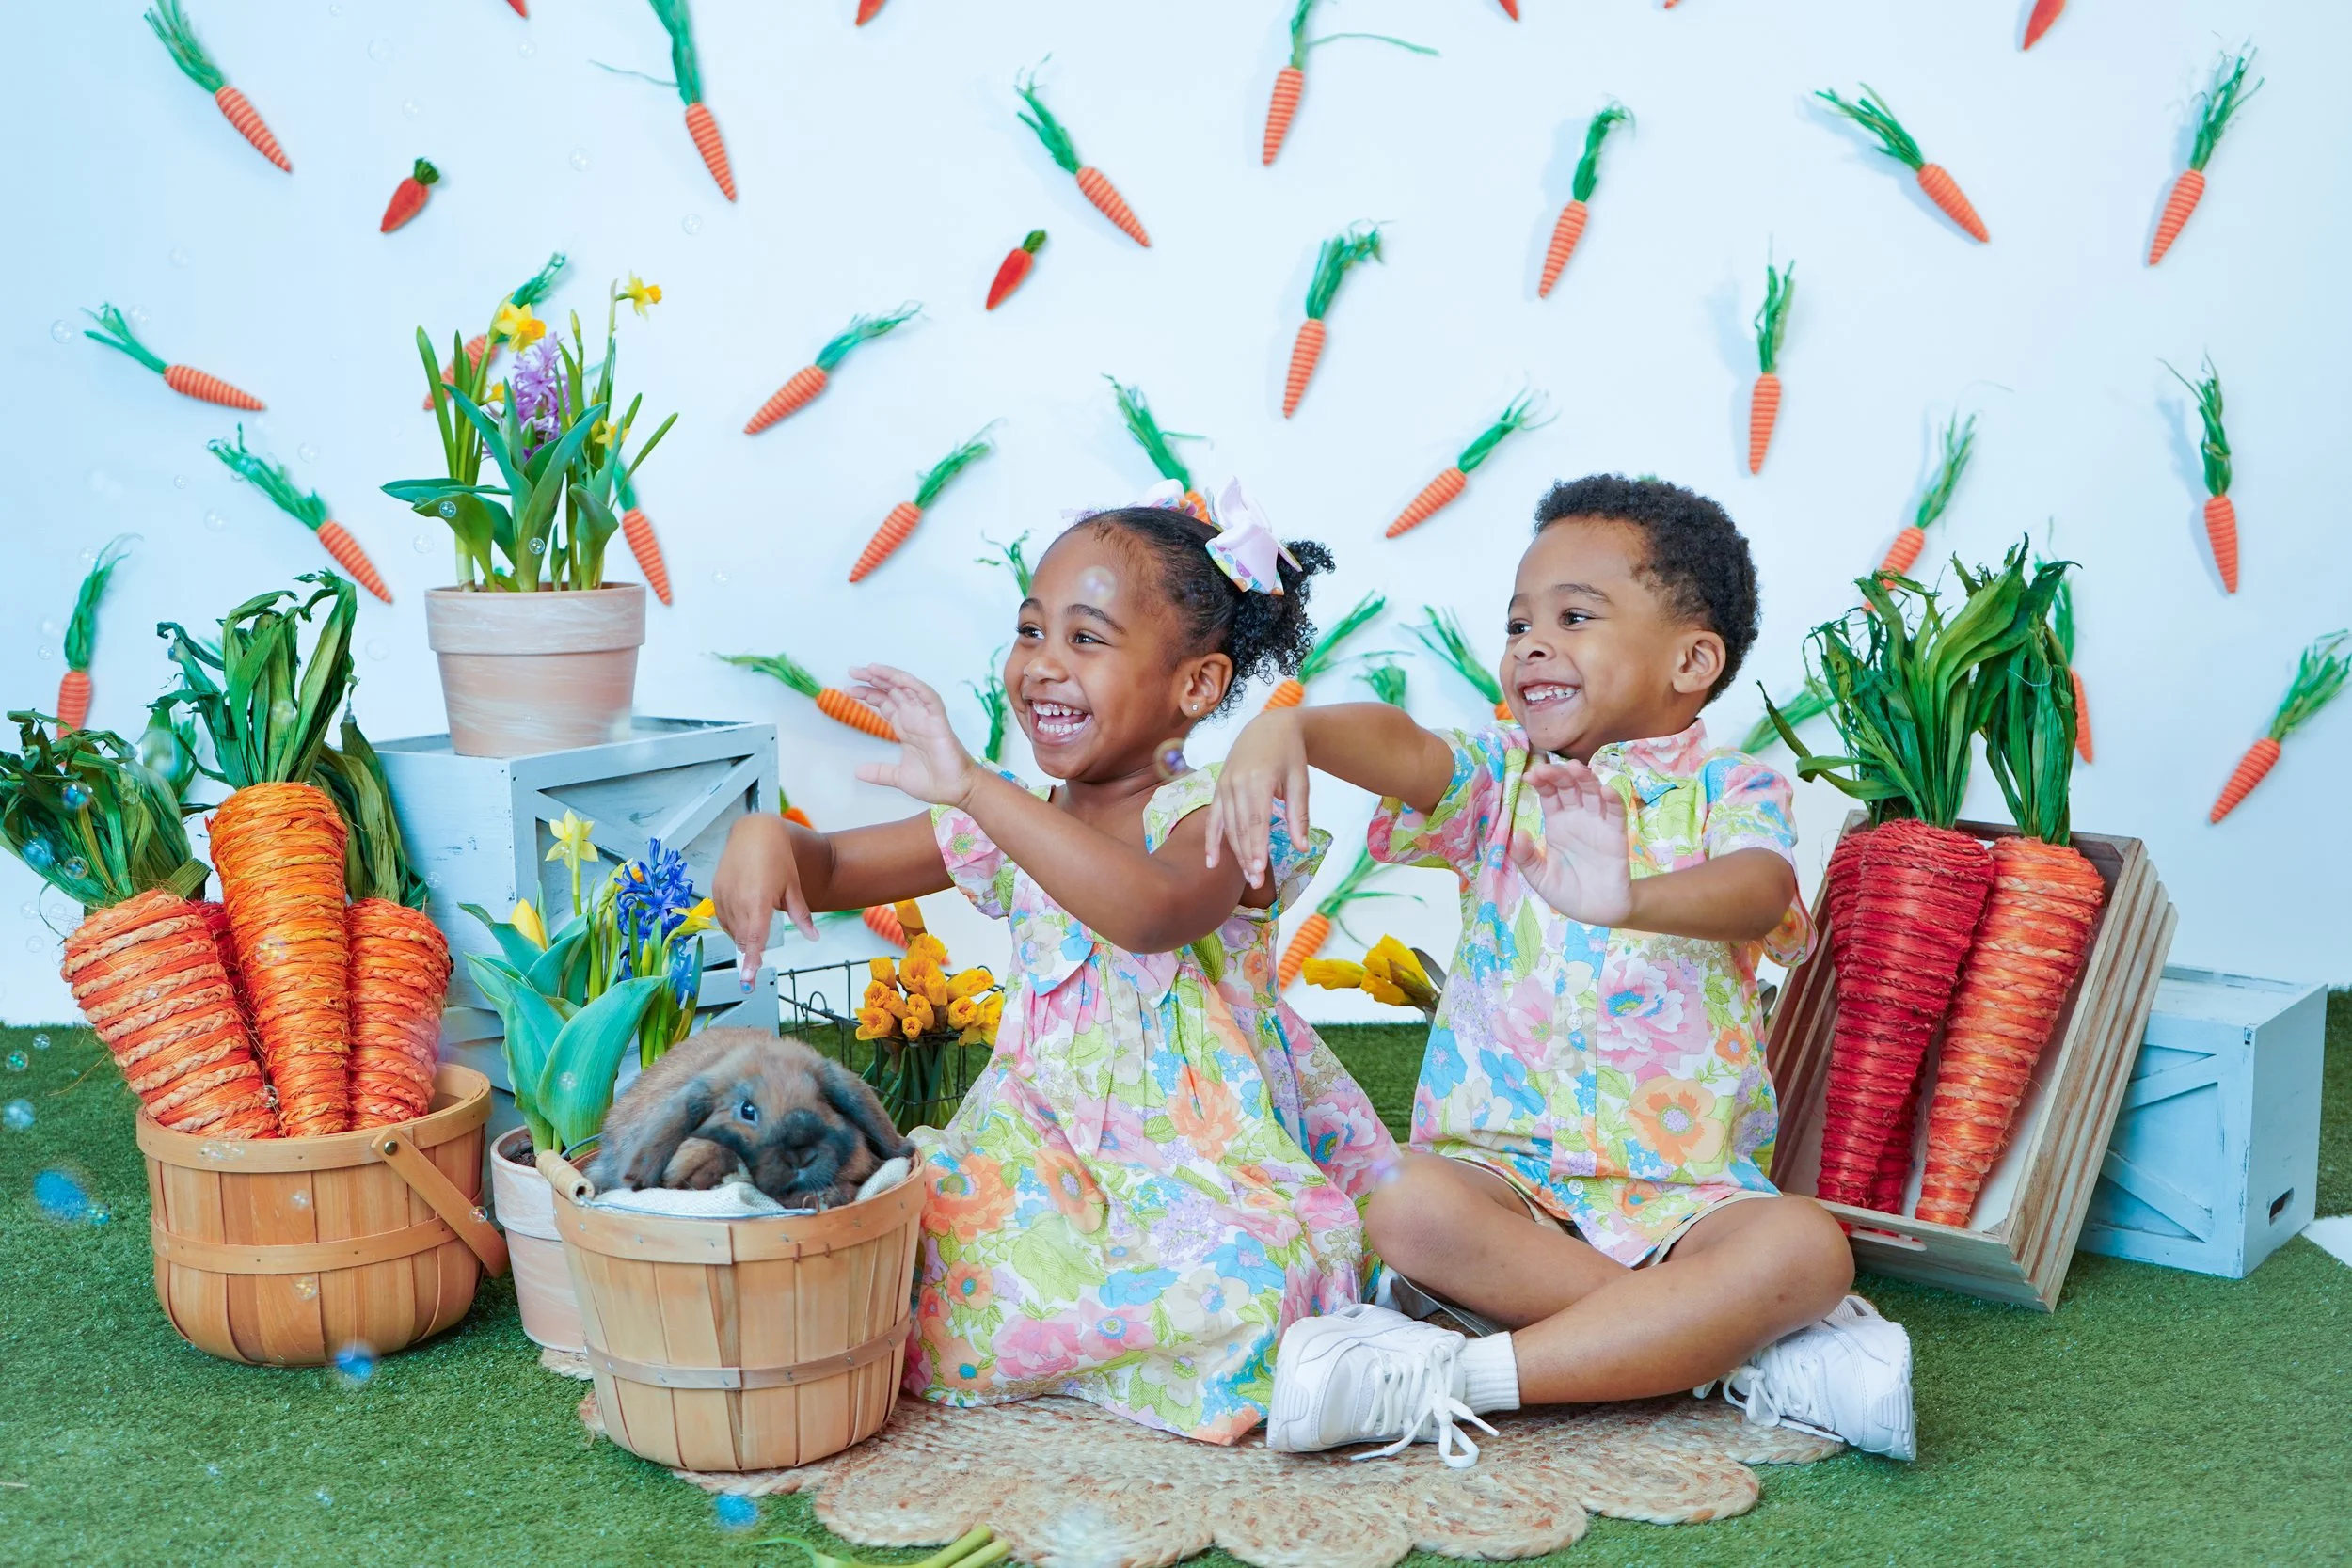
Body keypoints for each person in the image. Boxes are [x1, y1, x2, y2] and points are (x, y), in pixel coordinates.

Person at [1208, 474, 1914, 1467]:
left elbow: (1759, 889)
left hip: (1688, 1195)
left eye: (1573, 616)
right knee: (1402, 1201)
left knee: (1803, 1246)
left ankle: (1459, 1377)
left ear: (1691, 659)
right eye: (1518, 622)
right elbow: (1405, 746)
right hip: (1504, 1186)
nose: (1530, 643)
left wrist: (1628, 899)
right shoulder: (1500, 779)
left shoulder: (1734, 786)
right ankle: (1733, 1352)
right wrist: (1290, 725)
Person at [712, 481, 1399, 1444]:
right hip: (1043, 1145)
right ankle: (1112, 1343)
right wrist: (761, 836)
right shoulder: (1003, 818)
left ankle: (1269, 1343)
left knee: (1254, 1272)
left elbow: (1151, 912)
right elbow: (828, 865)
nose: (1041, 665)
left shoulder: (1208, 813)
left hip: (1200, 1152)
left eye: (1086, 638)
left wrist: (978, 790)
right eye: (1030, 631)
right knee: (919, 1240)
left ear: (1194, 687)